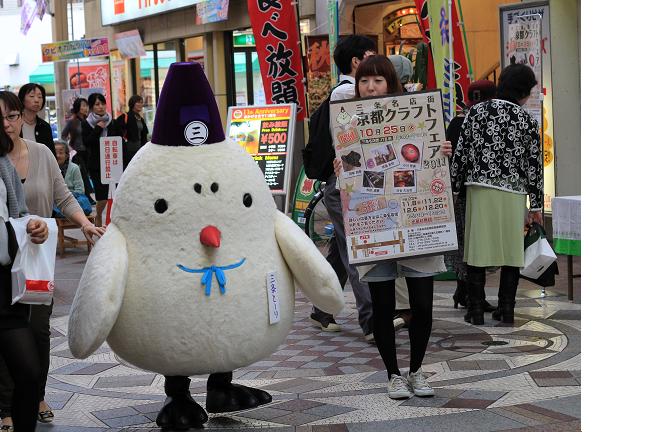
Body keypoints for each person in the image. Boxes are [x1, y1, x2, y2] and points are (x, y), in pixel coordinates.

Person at [334, 55, 452, 400]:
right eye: (364, 81)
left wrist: (441, 151)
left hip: (417, 223)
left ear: (391, 84)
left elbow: (431, 160)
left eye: (378, 81)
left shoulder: (416, 114)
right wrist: (342, 168)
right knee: (383, 307)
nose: (370, 87)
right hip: (377, 226)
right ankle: (393, 375)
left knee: (423, 305)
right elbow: (348, 178)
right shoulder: (347, 125)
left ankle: (417, 371)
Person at [0, 91, 105, 429]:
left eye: (12, 116)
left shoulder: (43, 154)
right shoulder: (1, 163)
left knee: (38, 331)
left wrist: (86, 224)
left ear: (21, 117)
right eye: (1, 118)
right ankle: (6, 409)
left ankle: (34, 395)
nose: (7, 124)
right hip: (5, 264)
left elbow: (62, 196)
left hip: (35, 258)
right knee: (8, 339)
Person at [450, 64, 543, 325]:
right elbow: (534, 166)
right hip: (513, 192)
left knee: (477, 249)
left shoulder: (475, 112)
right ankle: (507, 310)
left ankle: (476, 310)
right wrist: (535, 205)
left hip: (479, 189)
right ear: (524, 92)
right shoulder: (527, 120)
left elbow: (461, 154)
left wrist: (455, 187)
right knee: (511, 252)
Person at [309, 35, 377, 340]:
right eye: (371, 58)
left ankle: (321, 309)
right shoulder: (350, 91)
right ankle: (372, 319)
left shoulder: (345, 90)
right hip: (346, 183)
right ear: (356, 62)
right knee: (355, 250)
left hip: (344, 183)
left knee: (341, 249)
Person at [0, 121, 49, 432]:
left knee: (29, 372)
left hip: (5, 282)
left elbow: (16, 214)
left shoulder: (3, 163)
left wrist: (34, 226)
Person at [445, 80, 497, 312]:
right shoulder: (490, 122)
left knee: (465, 246)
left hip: (459, 192)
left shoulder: (456, 122)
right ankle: (473, 295)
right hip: (480, 193)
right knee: (477, 247)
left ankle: (463, 291)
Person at [82, 93, 122, 227]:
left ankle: (113, 222)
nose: (101, 107)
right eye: (97, 104)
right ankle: (98, 215)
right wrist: (98, 128)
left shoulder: (112, 121)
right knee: (102, 196)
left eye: (102, 103)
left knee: (115, 195)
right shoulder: (86, 123)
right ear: (92, 107)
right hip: (97, 165)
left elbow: (119, 141)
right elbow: (87, 142)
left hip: (113, 163)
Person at [61, 98, 93, 200]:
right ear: (77, 107)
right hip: (77, 152)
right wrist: (69, 149)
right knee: (83, 174)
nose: (85, 108)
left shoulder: (88, 121)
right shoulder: (72, 121)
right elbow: (63, 135)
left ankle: (86, 196)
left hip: (88, 152)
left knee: (86, 174)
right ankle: (88, 197)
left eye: (86, 106)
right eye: (83, 105)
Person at [53, 141, 92, 216]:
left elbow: (80, 190)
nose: (57, 155)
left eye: (61, 153)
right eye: (55, 153)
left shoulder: (74, 168)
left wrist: (65, 196)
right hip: (55, 201)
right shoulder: (49, 168)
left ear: (67, 155)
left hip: (71, 200)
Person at [17, 84, 54, 155]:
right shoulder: (14, 123)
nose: (37, 100)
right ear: (22, 99)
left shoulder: (45, 126)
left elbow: (51, 154)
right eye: (32, 96)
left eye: (40, 97)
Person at [116, 95, 149, 169]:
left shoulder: (140, 119)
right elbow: (118, 132)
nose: (140, 104)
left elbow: (143, 135)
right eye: (138, 102)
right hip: (129, 150)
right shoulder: (125, 117)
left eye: (141, 102)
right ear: (132, 103)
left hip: (139, 150)